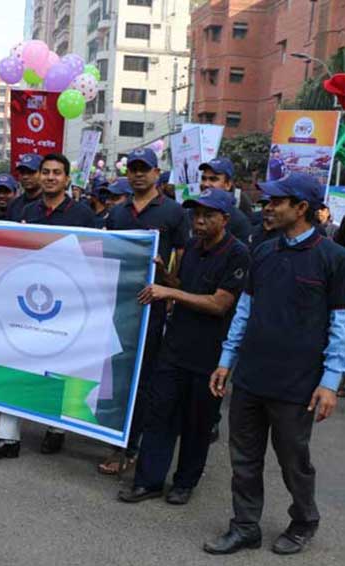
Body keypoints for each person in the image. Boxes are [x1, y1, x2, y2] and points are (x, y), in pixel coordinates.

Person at [204, 173, 344, 556]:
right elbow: (244, 311)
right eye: (267, 201)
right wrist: (226, 360)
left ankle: (304, 520)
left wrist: (330, 381)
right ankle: (245, 526)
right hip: (250, 377)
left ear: (302, 208)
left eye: (277, 201)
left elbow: (341, 323)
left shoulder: (333, 258)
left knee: (293, 461)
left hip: (297, 384)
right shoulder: (263, 252)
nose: (268, 207)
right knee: (244, 459)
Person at [118, 189, 250, 506]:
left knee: (197, 423)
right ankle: (148, 481)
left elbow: (220, 304)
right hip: (175, 347)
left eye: (208, 215)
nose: (199, 220)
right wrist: (164, 275)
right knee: (159, 414)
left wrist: (169, 293)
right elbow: (181, 287)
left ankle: (185, 483)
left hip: (209, 354)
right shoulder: (191, 246)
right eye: (195, 214)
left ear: (225, 219)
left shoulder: (238, 254)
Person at [0, 153, 96, 460]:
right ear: (40, 177)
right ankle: (7, 438)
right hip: (27, 300)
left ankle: (56, 429)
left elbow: (96, 257)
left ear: (67, 179)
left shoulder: (84, 215)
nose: (51, 177)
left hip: (67, 305)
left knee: (60, 368)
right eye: (46, 172)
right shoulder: (26, 210)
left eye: (57, 172)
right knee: (16, 363)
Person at [98, 147, 188, 475]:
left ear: (156, 173)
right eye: (132, 168)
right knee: (115, 374)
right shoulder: (118, 214)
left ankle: (132, 446)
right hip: (117, 306)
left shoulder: (174, 214)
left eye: (144, 168)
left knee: (143, 379)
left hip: (153, 311)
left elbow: (181, 272)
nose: (137, 174)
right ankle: (114, 439)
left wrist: (165, 275)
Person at [198, 158, 251, 243]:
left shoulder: (240, 219)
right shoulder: (191, 213)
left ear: (228, 184)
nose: (206, 184)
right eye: (204, 178)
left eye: (213, 179)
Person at [8, 154, 43, 221]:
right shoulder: (14, 204)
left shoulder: (49, 203)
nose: (25, 177)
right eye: (22, 172)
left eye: (31, 172)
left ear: (43, 173)